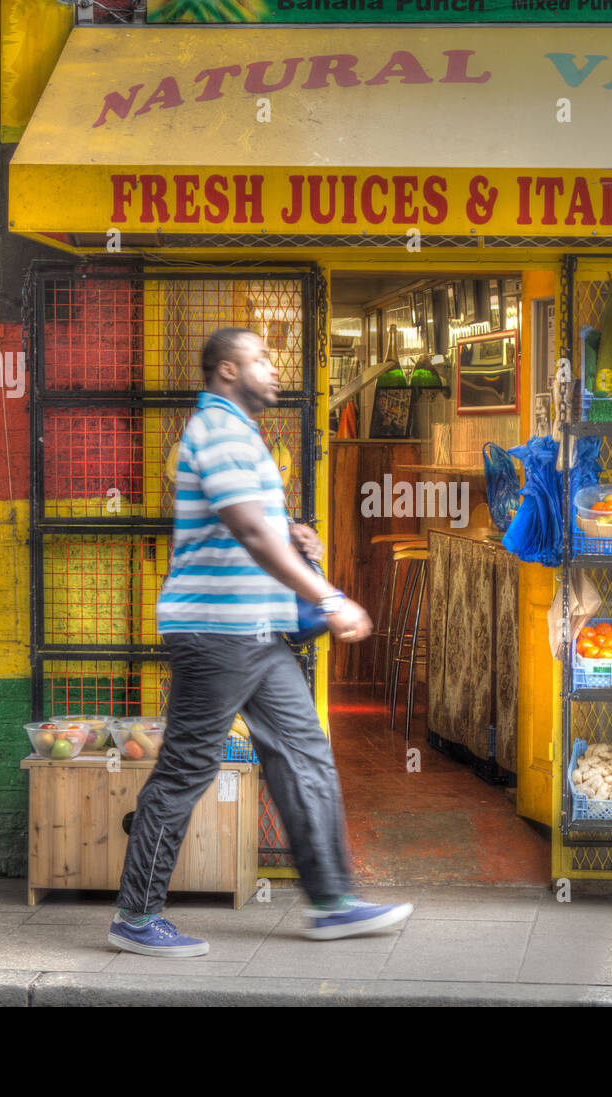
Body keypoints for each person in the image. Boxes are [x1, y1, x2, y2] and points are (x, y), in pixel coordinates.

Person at [108, 327, 413, 957]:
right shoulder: (216, 431)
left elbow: (259, 528)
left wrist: (298, 538)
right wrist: (327, 595)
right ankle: (136, 917)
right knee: (186, 770)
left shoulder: (242, 435)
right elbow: (248, 531)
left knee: (304, 755)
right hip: (216, 632)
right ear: (226, 370)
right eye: (261, 360)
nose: (275, 370)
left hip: (258, 633)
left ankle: (332, 903)